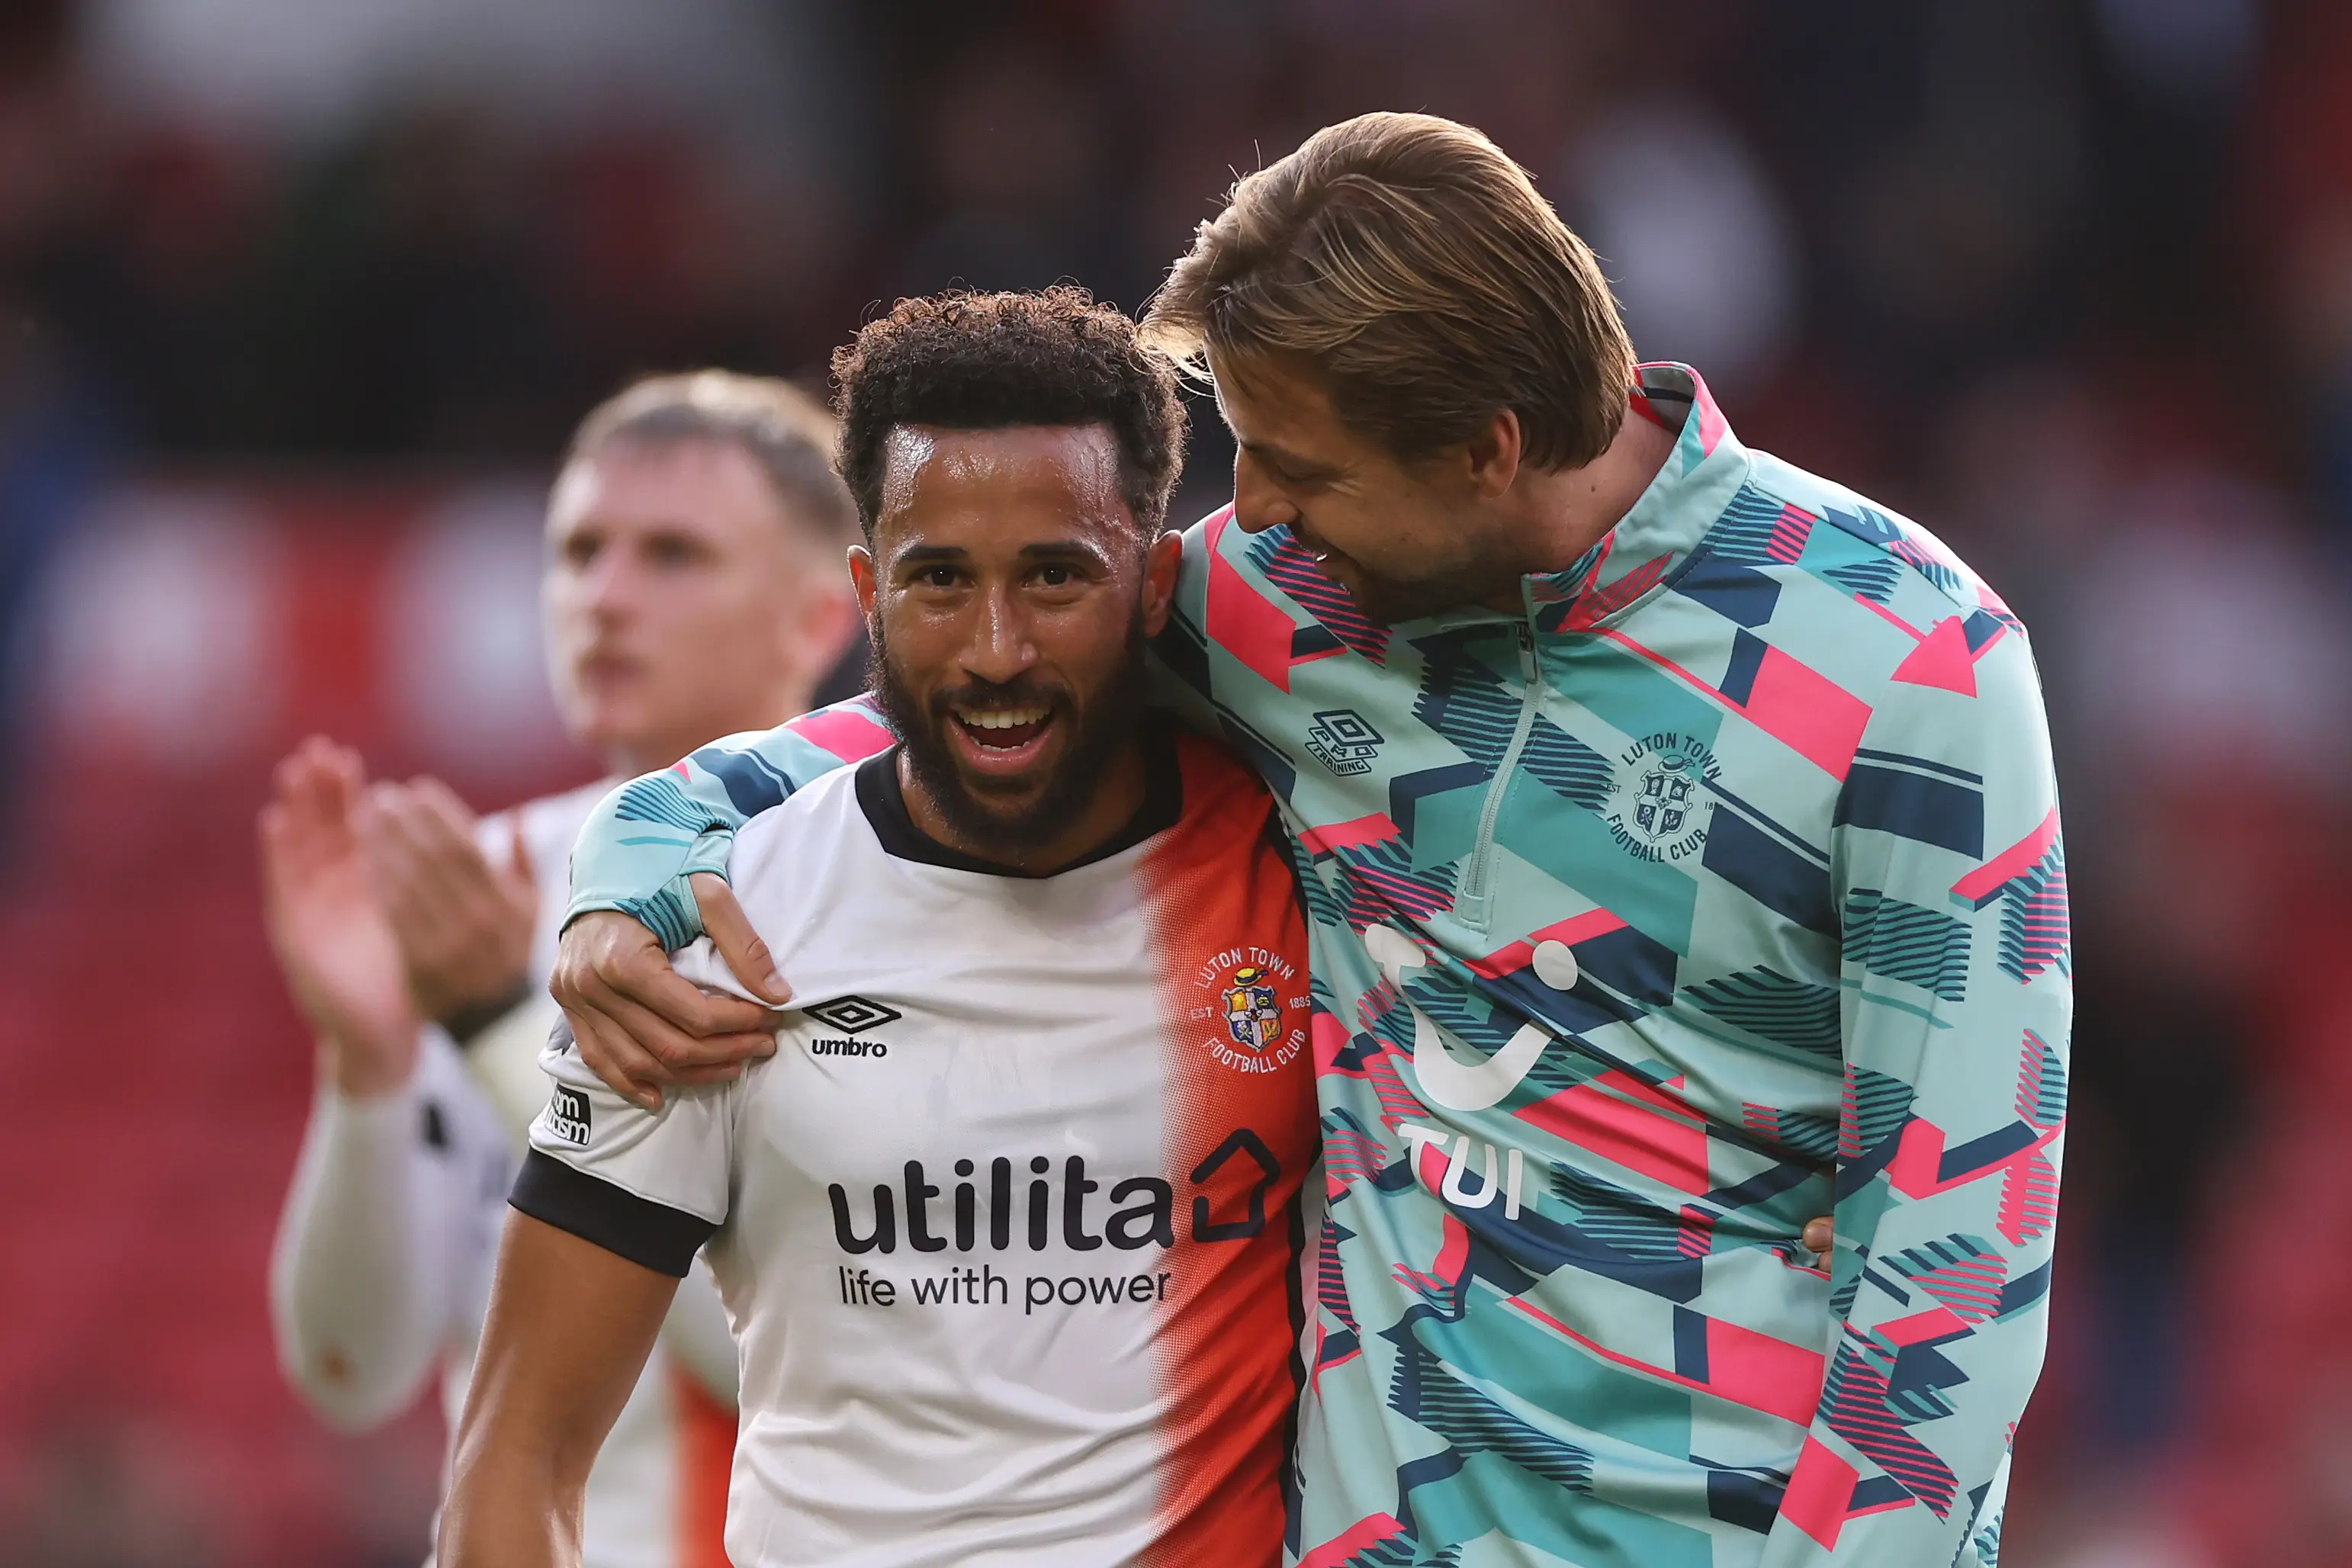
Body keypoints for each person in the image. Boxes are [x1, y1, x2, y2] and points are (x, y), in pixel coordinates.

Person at [551, 115, 2071, 1568]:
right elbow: (956, 706)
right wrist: (630, 866)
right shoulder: (1287, 602)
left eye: (1303, 464)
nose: (1255, 507)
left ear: (1486, 449)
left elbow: (1955, 1255)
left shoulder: (1905, 666)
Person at [438, 290, 1317, 1568]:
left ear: (1152, 585)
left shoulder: (1306, 877)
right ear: (867, 591)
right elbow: (516, 1455)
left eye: (1056, 576)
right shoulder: (717, 929)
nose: (997, 649)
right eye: (941, 582)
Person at [261, 371, 861, 1567]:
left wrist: (495, 1025)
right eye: (577, 551)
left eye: (672, 555)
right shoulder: (485, 885)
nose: (604, 597)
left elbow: (787, 1377)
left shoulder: (861, 894)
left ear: (818, 617)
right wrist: (368, 1067)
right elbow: (350, 1368)